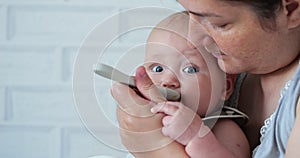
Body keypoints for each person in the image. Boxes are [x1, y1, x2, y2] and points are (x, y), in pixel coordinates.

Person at [111, 0, 300, 157]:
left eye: (218, 23)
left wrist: (155, 146)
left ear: (291, 10)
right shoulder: (229, 62)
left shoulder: (223, 129)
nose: (193, 36)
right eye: (190, 13)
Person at [113, 12, 250, 157]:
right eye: (157, 68)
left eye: (190, 69)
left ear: (224, 87)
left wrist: (196, 137)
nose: (167, 81)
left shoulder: (222, 129)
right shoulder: (145, 124)